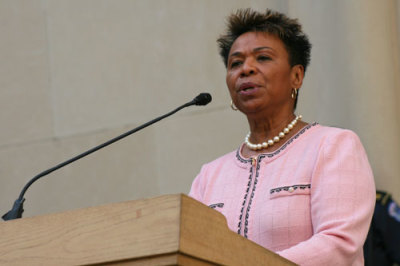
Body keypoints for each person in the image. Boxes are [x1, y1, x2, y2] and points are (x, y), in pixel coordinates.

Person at [189, 8, 375, 266]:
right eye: (235, 63)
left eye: (262, 58)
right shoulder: (209, 176)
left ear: (296, 76)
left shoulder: (332, 147)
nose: (246, 69)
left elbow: (338, 245)